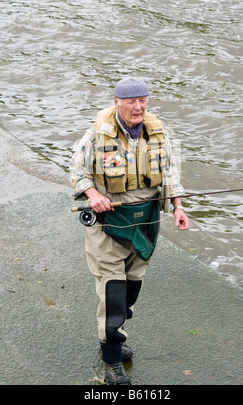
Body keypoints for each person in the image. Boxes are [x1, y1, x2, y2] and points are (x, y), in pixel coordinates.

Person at [70, 76, 189, 385]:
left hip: (146, 222)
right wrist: (93, 196)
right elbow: (76, 169)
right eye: (132, 101)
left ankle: (116, 334)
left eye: (143, 100)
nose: (138, 106)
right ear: (117, 102)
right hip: (110, 223)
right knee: (113, 291)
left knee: (133, 285)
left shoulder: (158, 132)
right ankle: (111, 361)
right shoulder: (97, 134)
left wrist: (177, 207)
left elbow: (170, 171)